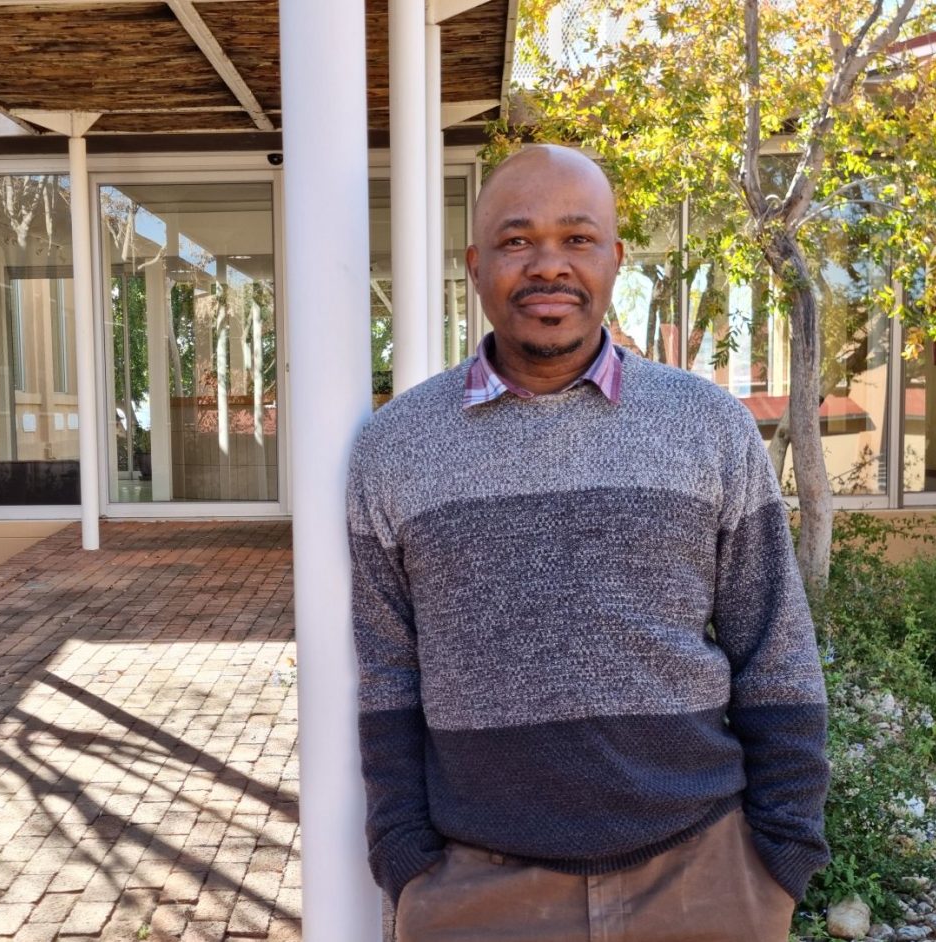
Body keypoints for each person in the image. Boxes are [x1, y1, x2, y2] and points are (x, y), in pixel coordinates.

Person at [346, 144, 830, 941]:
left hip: (703, 880)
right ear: (475, 263)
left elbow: (774, 647)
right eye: (516, 240)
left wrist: (780, 857)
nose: (548, 266)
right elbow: (387, 671)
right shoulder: (394, 448)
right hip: (477, 892)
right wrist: (408, 859)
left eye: (577, 238)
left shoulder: (708, 426)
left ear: (615, 258)